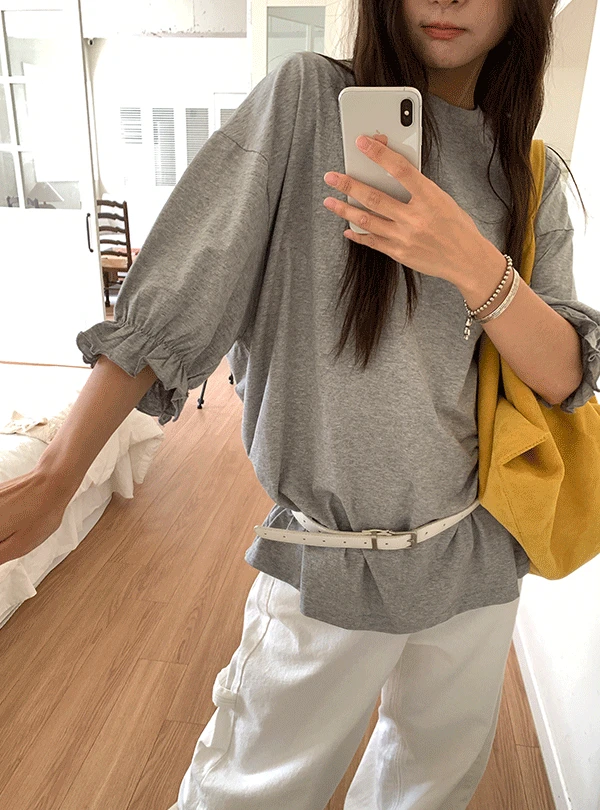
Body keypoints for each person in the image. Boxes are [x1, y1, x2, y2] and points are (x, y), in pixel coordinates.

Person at [2, 0, 600, 808]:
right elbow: (178, 293)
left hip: (476, 554)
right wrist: (58, 473)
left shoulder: (531, 172)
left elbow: (566, 377)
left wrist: (470, 261)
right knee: (248, 793)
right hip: (328, 559)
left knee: (430, 790)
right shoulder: (308, 103)